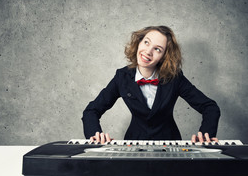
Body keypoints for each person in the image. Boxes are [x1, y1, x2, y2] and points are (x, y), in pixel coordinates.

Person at [82, 26, 220, 144]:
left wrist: (206, 134)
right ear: (139, 42)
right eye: (146, 42)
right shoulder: (121, 77)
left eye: (158, 49)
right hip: (133, 144)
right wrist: (95, 135)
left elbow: (210, 107)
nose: (148, 51)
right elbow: (91, 111)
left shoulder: (175, 78)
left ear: (165, 56)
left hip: (169, 145)